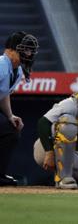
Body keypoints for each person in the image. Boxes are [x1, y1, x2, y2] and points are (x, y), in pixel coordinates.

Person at [0, 32, 39, 186]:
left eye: (30, 50)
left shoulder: (17, 71)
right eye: (25, 49)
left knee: (11, 129)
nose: (28, 54)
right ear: (10, 50)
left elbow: (3, 94)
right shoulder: (2, 64)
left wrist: (10, 115)